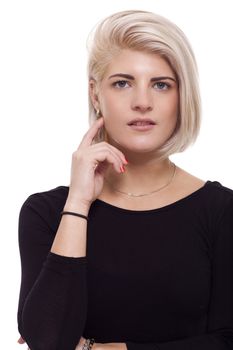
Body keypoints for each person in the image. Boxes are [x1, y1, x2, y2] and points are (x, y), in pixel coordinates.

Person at [17, 9, 233, 350]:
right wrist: (78, 203)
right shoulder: (47, 212)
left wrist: (106, 349)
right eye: (122, 83)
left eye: (161, 85)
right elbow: (46, 341)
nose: (142, 102)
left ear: (182, 96)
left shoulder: (222, 211)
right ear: (95, 94)